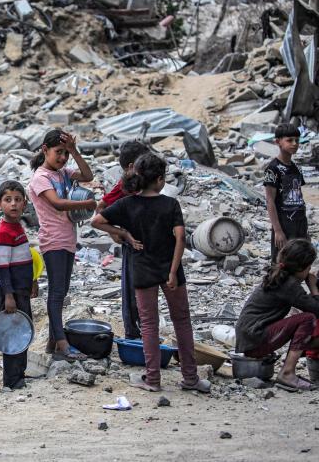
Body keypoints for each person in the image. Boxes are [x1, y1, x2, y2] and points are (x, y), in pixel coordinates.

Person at [91, 152, 210, 393]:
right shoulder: (170, 204)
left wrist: (124, 234)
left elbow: (96, 221)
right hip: (169, 268)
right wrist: (174, 271)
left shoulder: (127, 204)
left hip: (142, 269)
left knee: (148, 324)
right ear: (159, 179)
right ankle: (190, 377)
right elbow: (179, 238)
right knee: (182, 321)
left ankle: (153, 379)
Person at [28, 129, 95, 362]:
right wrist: (86, 203)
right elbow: (57, 204)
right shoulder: (40, 178)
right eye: (59, 153)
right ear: (45, 150)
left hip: (67, 240)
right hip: (52, 241)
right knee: (56, 293)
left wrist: (75, 151)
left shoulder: (64, 173)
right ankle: (63, 344)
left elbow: (88, 174)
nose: (63, 158)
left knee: (62, 291)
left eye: (65, 154)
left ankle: (52, 342)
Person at [235, 239, 319, 391]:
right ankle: (287, 373)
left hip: (248, 338)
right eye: (309, 267)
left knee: (303, 320)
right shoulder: (289, 285)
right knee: (308, 319)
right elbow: (316, 309)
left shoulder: (279, 276)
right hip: (255, 338)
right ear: (302, 268)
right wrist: (313, 286)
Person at [95, 140, 150, 339]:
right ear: (130, 167)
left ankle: (146, 330)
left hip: (149, 243)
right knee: (132, 289)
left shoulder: (147, 180)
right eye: (142, 162)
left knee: (147, 290)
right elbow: (101, 208)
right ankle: (133, 333)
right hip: (133, 244)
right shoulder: (124, 185)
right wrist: (115, 233)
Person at [0, 180, 38, 390]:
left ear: (25, 203)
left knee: (23, 331)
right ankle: (12, 379)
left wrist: (33, 281)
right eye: (8, 200)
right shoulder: (3, 232)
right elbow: (3, 267)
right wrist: (9, 295)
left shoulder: (17, 227)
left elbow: (27, 257)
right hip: (11, 292)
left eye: (18, 200)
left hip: (22, 289)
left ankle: (20, 374)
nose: (13, 204)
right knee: (12, 336)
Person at [264, 122, 308, 262]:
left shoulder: (296, 168)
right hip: (284, 225)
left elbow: (298, 196)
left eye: (297, 140)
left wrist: (305, 230)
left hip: (299, 223)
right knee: (281, 262)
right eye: (289, 140)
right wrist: (277, 230)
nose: (294, 143)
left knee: (300, 260)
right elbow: (270, 201)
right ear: (278, 142)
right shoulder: (273, 169)